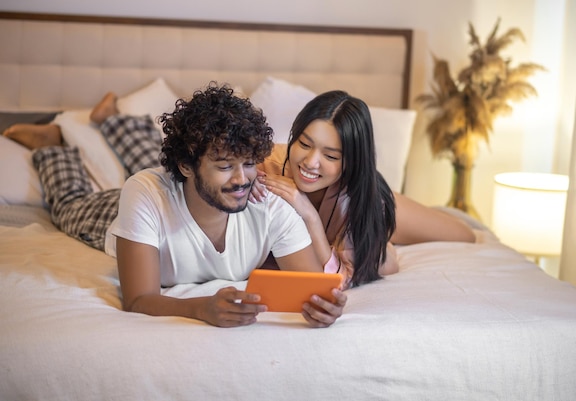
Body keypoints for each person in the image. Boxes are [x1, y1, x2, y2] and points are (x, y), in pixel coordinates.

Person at [2, 83, 346, 328]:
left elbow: (312, 287)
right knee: (71, 204)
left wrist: (325, 309)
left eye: (249, 163)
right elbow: (138, 299)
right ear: (185, 166)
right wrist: (200, 309)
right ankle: (52, 146)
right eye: (226, 165)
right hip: (117, 211)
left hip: (187, 187)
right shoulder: (145, 193)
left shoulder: (268, 203)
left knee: (187, 172)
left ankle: (113, 119)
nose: (243, 179)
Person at [253, 90, 476, 289]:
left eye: (330, 156)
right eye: (304, 144)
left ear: (352, 161)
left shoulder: (360, 199)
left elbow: (342, 276)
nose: (311, 162)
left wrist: (310, 216)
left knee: (463, 234)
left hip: (367, 199)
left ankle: (383, 236)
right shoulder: (262, 164)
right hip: (343, 225)